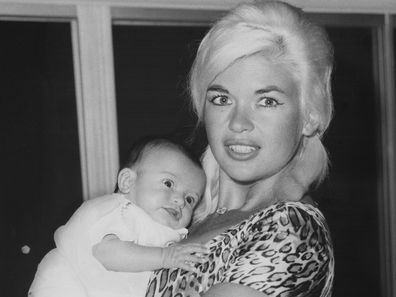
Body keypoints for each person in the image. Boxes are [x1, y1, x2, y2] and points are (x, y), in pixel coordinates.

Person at [145, 1, 334, 297]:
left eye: (267, 101)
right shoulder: (182, 215)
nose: (238, 123)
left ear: (309, 116)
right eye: (222, 100)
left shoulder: (290, 228)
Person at [28, 137, 208, 297]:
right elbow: (107, 252)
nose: (179, 201)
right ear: (127, 182)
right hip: (68, 284)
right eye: (168, 183)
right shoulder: (121, 211)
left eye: (190, 198)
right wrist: (165, 257)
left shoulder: (169, 235)